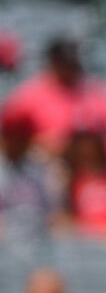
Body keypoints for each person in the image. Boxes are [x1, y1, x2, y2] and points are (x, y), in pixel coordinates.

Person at [0, 37, 106, 169]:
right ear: (53, 62)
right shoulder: (30, 95)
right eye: (66, 62)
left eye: (74, 63)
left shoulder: (99, 93)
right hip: (50, 174)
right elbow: (7, 141)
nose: (70, 68)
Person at [0, 104, 61, 243]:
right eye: (13, 137)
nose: (17, 143)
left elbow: (55, 215)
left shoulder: (40, 168)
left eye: (22, 138)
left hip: (38, 240)